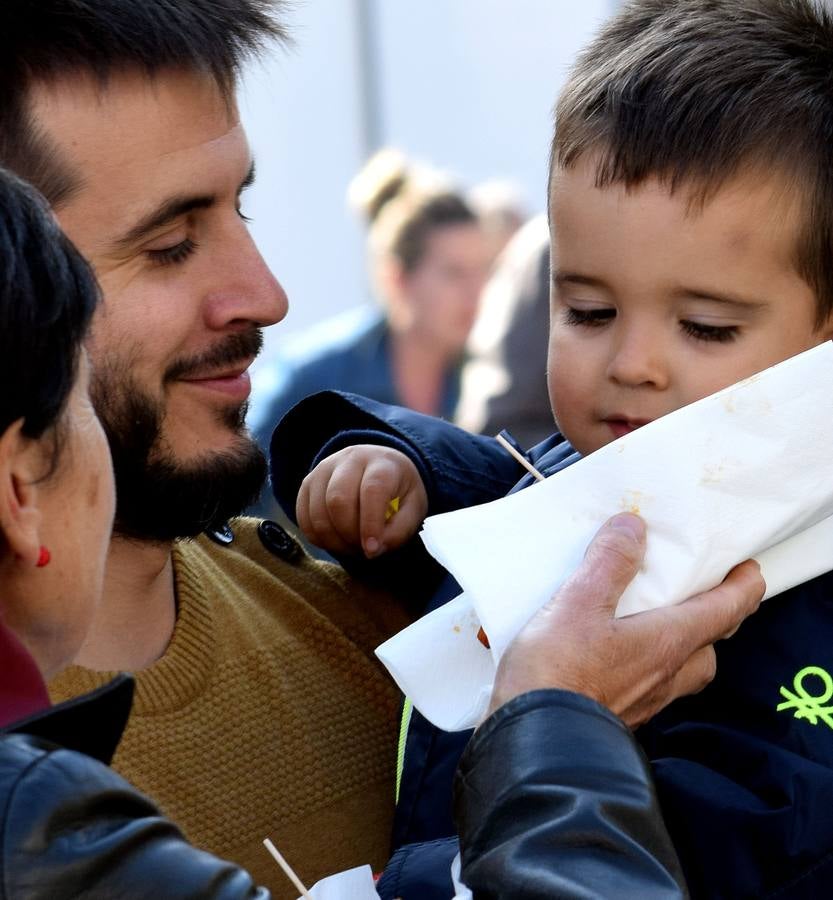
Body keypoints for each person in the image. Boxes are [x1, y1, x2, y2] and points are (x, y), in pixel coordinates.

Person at [0, 164, 761, 898]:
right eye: (169, 244)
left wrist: (420, 473)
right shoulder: (36, 817)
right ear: (16, 482)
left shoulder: (341, 621)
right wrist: (553, 724)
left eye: (706, 325)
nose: (269, 295)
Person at [269, 0, 833, 896]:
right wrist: (404, 472)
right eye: (588, 312)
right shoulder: (589, 470)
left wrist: (421, 881)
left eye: (705, 326)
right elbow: (511, 487)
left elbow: (742, 849)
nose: (632, 364)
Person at [0, 2, 415, 890]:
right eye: (172, 245)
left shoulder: (375, 632)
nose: (266, 296)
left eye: (243, 209)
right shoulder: (17, 796)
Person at [249, 147, 488, 455]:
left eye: (483, 270)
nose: (477, 291)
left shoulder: (493, 377)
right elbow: (243, 486)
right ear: (397, 278)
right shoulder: (314, 380)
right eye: (454, 273)